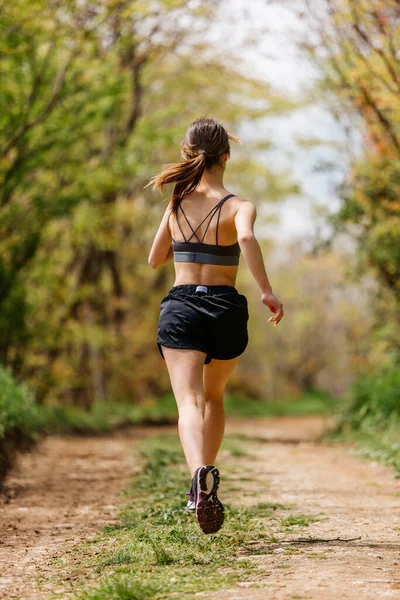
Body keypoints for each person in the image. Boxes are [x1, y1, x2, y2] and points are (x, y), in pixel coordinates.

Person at [146, 116, 284, 534]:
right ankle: (207, 471)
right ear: (226, 156)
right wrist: (266, 291)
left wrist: (188, 251)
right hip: (225, 308)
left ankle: (199, 480)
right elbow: (245, 239)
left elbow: (154, 259)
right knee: (214, 396)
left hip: (182, 308)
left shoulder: (176, 203)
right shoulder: (241, 206)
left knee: (189, 402)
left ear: (189, 156)